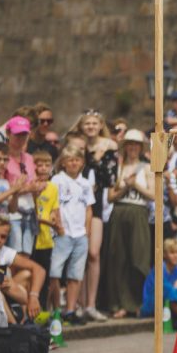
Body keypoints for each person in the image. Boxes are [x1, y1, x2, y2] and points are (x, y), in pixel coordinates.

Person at [68, 110, 118, 322]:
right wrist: (94, 158)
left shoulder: (109, 146)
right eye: (86, 123)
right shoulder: (76, 144)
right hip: (76, 203)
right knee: (79, 253)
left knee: (94, 253)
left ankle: (91, 303)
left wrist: (97, 159)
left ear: (100, 125)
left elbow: (110, 179)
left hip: (96, 202)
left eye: (94, 123)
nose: (90, 126)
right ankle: (77, 303)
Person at [105, 129, 154, 318]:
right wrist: (125, 186)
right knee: (119, 258)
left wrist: (136, 185)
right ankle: (120, 303)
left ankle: (138, 302)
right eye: (130, 144)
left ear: (140, 147)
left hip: (139, 212)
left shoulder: (147, 167)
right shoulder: (117, 167)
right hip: (120, 210)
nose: (133, 148)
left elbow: (153, 195)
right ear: (125, 147)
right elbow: (110, 197)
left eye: (136, 145)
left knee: (139, 258)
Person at [48, 146, 94, 325]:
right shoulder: (57, 180)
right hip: (63, 232)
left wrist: (87, 230)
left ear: (82, 163)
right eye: (70, 160)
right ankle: (55, 308)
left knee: (76, 274)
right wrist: (58, 226)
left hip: (80, 234)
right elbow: (54, 205)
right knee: (55, 272)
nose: (74, 163)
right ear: (64, 163)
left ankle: (70, 309)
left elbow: (89, 208)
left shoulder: (85, 183)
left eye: (77, 160)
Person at [3, 116, 40, 255]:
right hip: (13, 212)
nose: (21, 139)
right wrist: (26, 189)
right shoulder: (3, 158)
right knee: (14, 255)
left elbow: (34, 182)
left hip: (29, 210)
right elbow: (3, 187)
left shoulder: (29, 158)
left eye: (24, 135)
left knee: (27, 255)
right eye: (17, 135)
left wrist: (37, 187)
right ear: (8, 134)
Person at [31, 149, 60, 308]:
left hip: (47, 239)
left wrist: (55, 220)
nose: (42, 168)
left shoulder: (53, 187)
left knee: (45, 277)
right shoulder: (30, 186)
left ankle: (42, 309)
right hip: (33, 237)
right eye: (39, 164)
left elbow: (54, 210)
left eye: (46, 165)